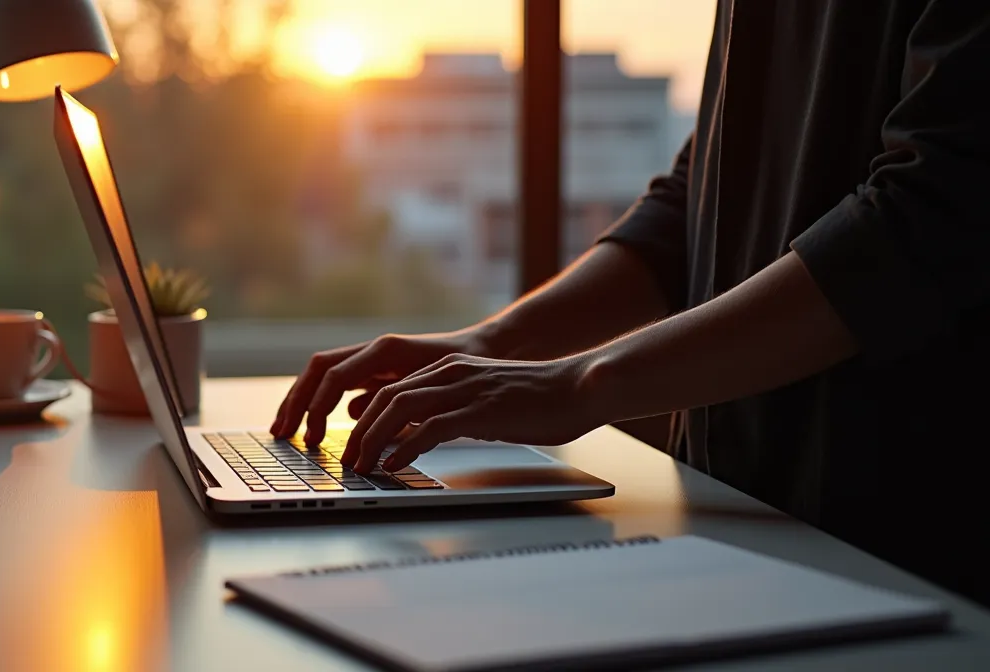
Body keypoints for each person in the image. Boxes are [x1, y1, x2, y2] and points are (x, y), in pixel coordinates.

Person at [271, 1, 990, 606]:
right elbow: (695, 199)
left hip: (908, 550)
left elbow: (927, 220)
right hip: (745, 528)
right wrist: (498, 341)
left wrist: (584, 383)